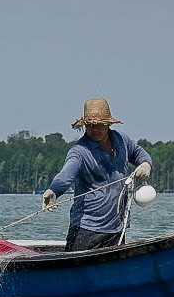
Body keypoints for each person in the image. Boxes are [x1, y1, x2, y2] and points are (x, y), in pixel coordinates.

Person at [42, 97, 153, 251]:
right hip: (87, 229)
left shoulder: (121, 140)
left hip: (117, 226)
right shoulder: (79, 151)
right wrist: (53, 190)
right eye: (90, 126)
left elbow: (138, 153)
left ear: (108, 124)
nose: (95, 130)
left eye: (100, 125)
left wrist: (146, 164)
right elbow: (66, 174)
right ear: (85, 125)